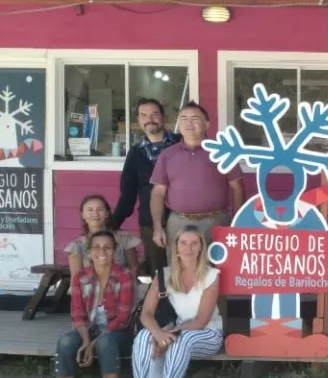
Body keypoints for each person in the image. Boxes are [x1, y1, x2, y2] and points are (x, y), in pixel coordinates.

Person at [124, 225, 224, 378]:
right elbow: (146, 313)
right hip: (176, 331)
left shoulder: (211, 275)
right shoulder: (165, 275)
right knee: (144, 336)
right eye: (183, 243)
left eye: (194, 243)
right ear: (176, 247)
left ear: (201, 247)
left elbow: (201, 320)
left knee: (179, 341)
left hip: (207, 333)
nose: (189, 248)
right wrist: (158, 333)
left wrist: (167, 338)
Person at [50, 231, 136, 378]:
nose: (102, 252)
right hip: (89, 332)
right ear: (88, 252)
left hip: (119, 333)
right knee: (65, 342)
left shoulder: (124, 276)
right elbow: (78, 314)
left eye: (107, 247)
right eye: (96, 247)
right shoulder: (81, 277)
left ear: (115, 251)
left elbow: (123, 318)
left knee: (105, 342)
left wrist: (93, 343)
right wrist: (86, 341)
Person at [150, 101, 244, 258]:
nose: (189, 123)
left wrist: (237, 223)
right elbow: (158, 192)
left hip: (215, 222)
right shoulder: (167, 155)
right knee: (179, 269)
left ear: (206, 124)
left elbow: (237, 187)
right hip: (178, 222)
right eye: (184, 119)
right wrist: (157, 226)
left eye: (194, 119)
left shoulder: (222, 152)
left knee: (217, 268)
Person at [109, 97, 180, 275]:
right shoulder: (135, 154)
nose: (150, 119)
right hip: (151, 224)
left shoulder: (181, 144)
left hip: (183, 219)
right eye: (144, 115)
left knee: (188, 270)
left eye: (155, 114)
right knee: (159, 274)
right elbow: (128, 195)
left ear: (163, 117)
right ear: (138, 120)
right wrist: (111, 226)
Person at [65, 194, 140, 280]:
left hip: (124, 285)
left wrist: (125, 285)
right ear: (83, 215)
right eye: (90, 210)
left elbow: (134, 268)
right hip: (90, 287)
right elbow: (76, 278)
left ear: (107, 213)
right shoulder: (76, 246)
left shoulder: (125, 239)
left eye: (100, 209)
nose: (95, 214)